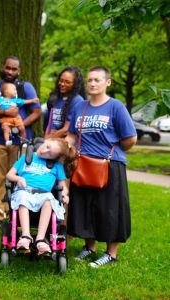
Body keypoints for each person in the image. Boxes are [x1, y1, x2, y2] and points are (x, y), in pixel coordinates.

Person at [66, 66, 137, 268]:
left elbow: (130, 138)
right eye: (90, 80)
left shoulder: (116, 107)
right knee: (86, 207)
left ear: (108, 82)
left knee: (110, 210)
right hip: (83, 165)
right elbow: (72, 134)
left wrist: (113, 152)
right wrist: (67, 146)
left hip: (109, 165)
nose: (93, 83)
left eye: (97, 80)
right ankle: (89, 247)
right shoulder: (81, 107)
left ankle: (111, 254)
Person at [0, 56, 41, 221]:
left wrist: (18, 126)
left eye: (14, 69)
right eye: (7, 68)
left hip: (20, 142)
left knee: (20, 178)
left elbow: (36, 112)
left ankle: (18, 216)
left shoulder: (25, 88)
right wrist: (5, 113)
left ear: (19, 71)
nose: (10, 72)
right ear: (2, 67)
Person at [5, 138, 71, 255]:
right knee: (23, 197)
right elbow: (9, 175)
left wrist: (65, 195)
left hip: (43, 194)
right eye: (47, 146)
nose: (44, 151)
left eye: (50, 154)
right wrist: (19, 178)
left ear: (54, 158)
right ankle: (26, 236)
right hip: (25, 191)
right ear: (46, 140)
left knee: (49, 200)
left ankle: (40, 239)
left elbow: (63, 186)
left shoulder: (57, 166)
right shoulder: (26, 158)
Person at [0, 82, 40, 146]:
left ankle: (23, 140)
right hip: (5, 119)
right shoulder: (0, 100)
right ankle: (7, 141)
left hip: (16, 118)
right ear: (6, 91)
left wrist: (32, 100)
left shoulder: (15, 100)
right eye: (14, 89)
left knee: (22, 128)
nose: (15, 91)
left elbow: (24, 101)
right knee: (6, 129)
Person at [44, 66, 86, 138]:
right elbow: (49, 124)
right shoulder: (55, 98)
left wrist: (49, 139)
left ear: (75, 84)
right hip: (51, 140)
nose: (62, 84)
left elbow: (66, 130)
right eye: (61, 80)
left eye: (67, 82)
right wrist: (45, 138)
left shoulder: (77, 100)